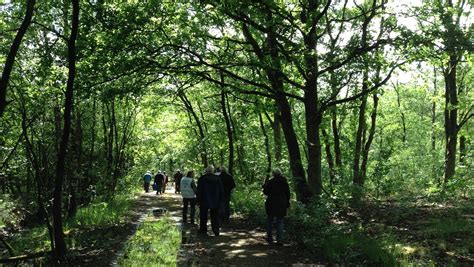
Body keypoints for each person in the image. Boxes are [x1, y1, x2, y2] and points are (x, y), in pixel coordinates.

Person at [262, 168, 290, 244]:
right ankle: (279, 240)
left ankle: (269, 238)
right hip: (281, 203)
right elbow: (288, 193)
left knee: (270, 220)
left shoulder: (270, 182)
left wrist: (264, 187)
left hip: (271, 203)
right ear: (280, 173)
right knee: (280, 221)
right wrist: (287, 203)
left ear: (273, 174)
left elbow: (265, 192)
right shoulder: (284, 182)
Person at [196, 165, 224, 236]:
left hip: (204, 200)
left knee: (203, 216)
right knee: (215, 216)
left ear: (206, 171)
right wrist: (221, 200)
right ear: (213, 171)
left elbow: (199, 191)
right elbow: (221, 191)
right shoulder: (218, 179)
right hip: (215, 200)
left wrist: (198, 200)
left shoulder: (202, 179)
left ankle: (203, 230)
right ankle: (216, 231)